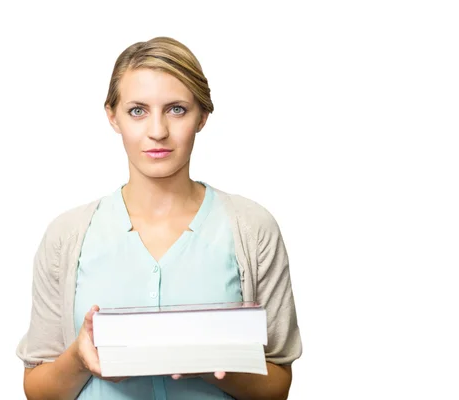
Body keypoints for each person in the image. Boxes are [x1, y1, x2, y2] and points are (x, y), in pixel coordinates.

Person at [16, 36, 302, 400]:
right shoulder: (67, 235)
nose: (157, 131)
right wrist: (80, 358)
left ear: (202, 117)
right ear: (112, 116)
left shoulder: (253, 229)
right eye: (137, 110)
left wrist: (211, 362)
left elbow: (277, 386)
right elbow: (37, 390)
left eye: (176, 109)